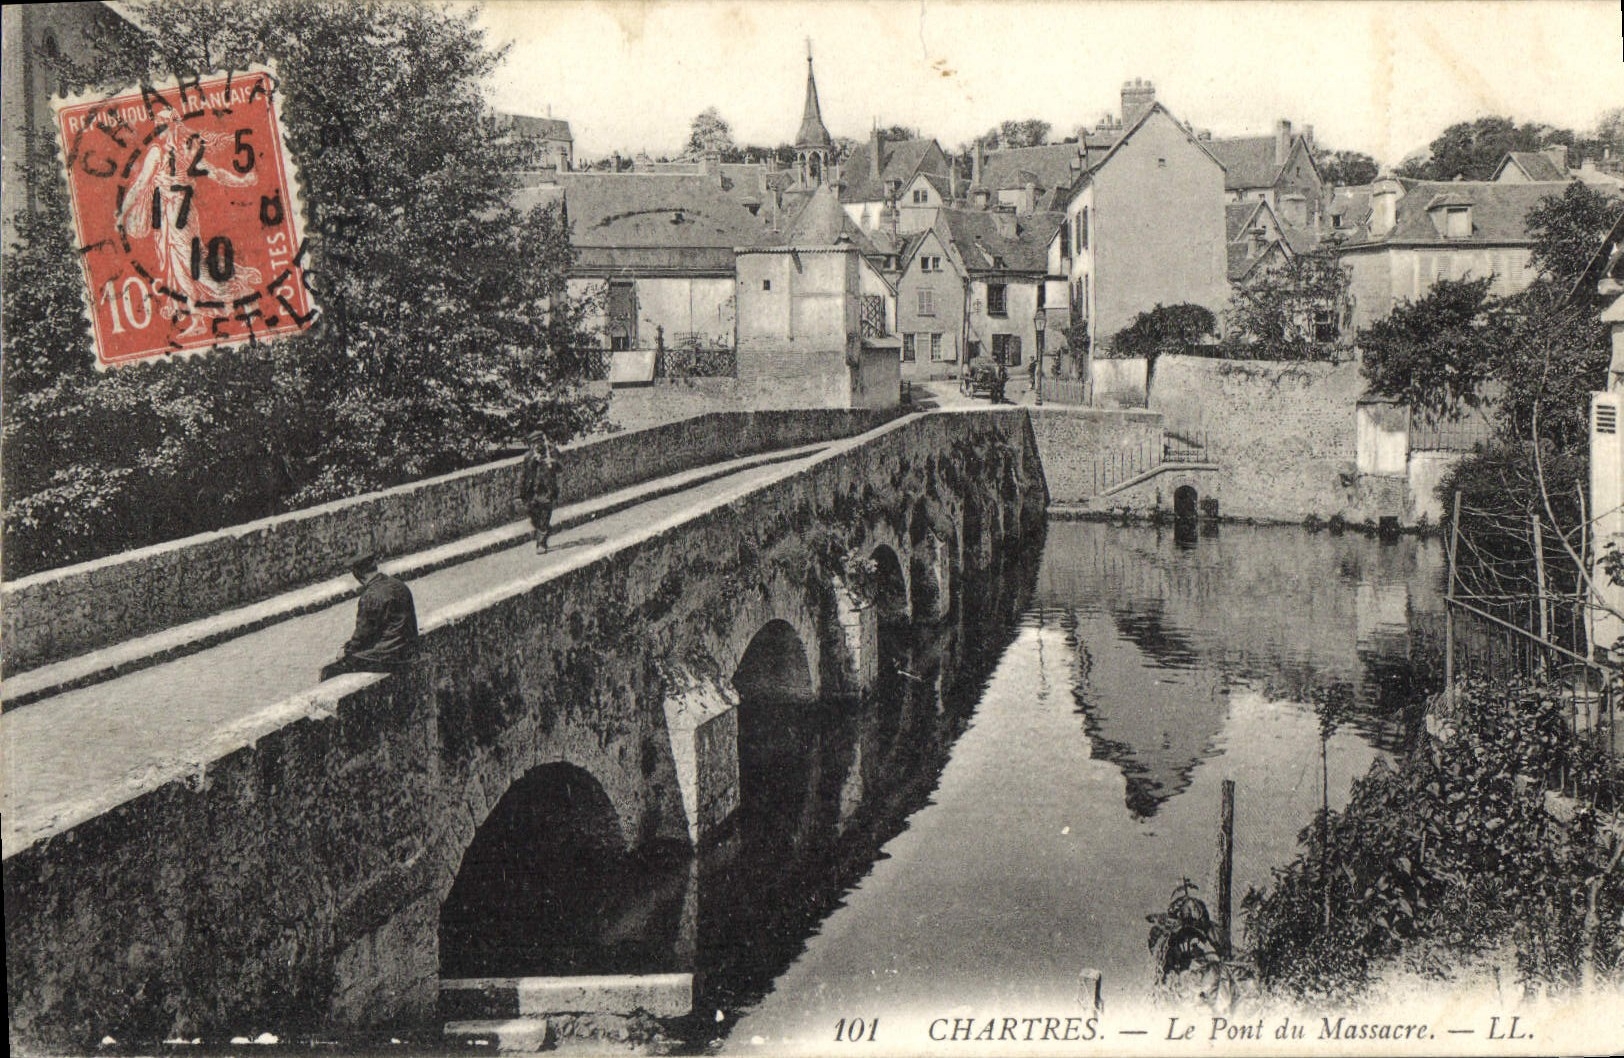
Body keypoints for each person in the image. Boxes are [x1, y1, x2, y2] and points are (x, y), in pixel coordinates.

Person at [320, 548, 419, 680]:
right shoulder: (399, 585)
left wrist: (346, 650)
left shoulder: (370, 596)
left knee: (329, 671)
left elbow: (363, 635)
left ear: (357, 574)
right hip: (409, 651)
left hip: (389, 657)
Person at [521, 430, 561, 553]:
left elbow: (560, 468)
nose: (537, 446)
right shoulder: (529, 457)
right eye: (533, 444)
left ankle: (541, 544)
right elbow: (524, 475)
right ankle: (543, 532)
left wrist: (553, 464)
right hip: (532, 493)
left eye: (539, 442)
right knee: (534, 519)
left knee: (544, 518)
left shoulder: (552, 453)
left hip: (547, 492)